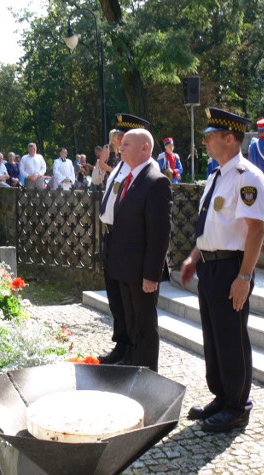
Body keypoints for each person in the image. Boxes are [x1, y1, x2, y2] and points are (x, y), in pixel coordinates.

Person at [179, 107, 264, 433]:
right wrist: (193, 258)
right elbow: (210, 227)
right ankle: (221, 395)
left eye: (210, 136)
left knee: (231, 338)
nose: (205, 141)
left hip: (233, 267)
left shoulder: (247, 177)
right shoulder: (218, 176)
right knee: (214, 338)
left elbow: (255, 230)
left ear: (229, 138)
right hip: (210, 267)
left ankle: (237, 406)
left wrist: (244, 277)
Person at [107, 128, 172, 372]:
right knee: (132, 323)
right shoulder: (129, 178)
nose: (120, 148)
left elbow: (159, 234)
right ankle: (133, 368)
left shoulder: (156, 181)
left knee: (144, 325)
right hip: (125, 267)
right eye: (121, 144)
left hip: (141, 270)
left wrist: (151, 274)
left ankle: (146, 377)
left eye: (126, 144)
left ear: (145, 148)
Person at [97, 113, 150, 365]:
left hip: (126, 240)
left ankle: (132, 350)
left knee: (130, 302)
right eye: (118, 137)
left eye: (123, 137)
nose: (118, 141)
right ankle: (122, 344)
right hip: (110, 236)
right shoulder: (119, 166)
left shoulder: (141, 170)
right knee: (116, 298)